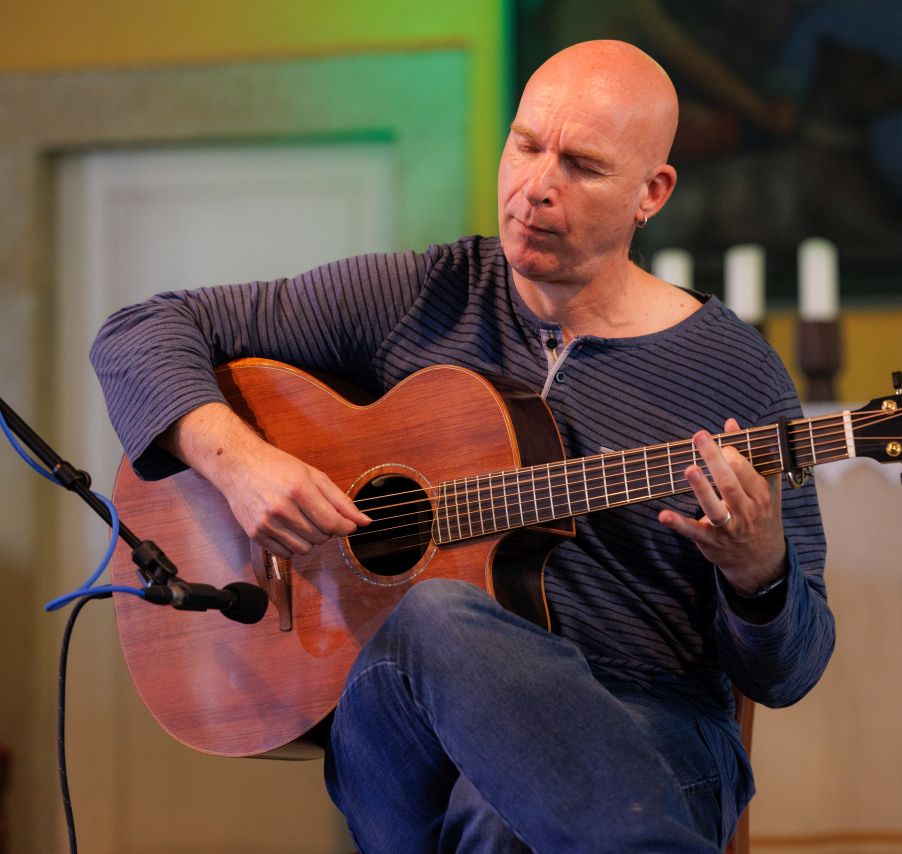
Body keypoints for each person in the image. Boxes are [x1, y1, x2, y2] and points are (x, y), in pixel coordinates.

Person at [91, 40, 835, 853]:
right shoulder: (425, 297)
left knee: (497, 812)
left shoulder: (732, 374)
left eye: (581, 166)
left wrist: (759, 574)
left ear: (651, 193)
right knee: (437, 615)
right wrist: (243, 468)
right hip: (405, 731)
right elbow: (138, 333)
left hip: (644, 733)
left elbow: (790, 672)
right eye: (526, 145)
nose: (536, 186)